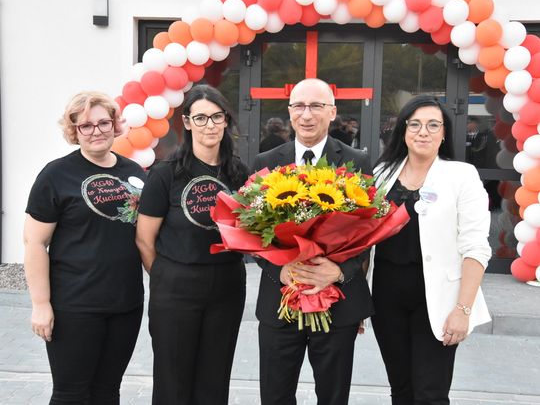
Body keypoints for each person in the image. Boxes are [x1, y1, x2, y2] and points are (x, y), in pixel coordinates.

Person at [252, 78, 373, 405]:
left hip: (337, 305)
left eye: (316, 106)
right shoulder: (265, 162)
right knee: (275, 396)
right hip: (280, 303)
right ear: (290, 111)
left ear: (332, 112)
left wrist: (340, 272)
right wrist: (280, 270)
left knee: (333, 397)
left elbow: (369, 230)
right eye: (299, 106)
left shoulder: (356, 161)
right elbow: (251, 230)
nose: (306, 115)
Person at [367, 95, 492, 405]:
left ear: (444, 133)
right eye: (415, 125)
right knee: (401, 390)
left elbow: (476, 247)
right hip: (386, 296)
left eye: (433, 125)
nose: (423, 132)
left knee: (430, 393)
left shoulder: (462, 176)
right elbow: (364, 239)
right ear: (403, 130)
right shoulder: (382, 174)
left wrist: (463, 310)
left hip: (438, 299)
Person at [23, 91, 146, 404]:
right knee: (71, 394)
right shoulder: (56, 175)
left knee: (108, 391)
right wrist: (41, 304)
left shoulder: (134, 172)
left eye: (104, 122)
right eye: (86, 126)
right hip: (74, 306)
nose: (97, 131)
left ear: (115, 125)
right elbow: (34, 242)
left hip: (126, 304)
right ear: (74, 131)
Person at [135, 84, 249, 404]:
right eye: (200, 118)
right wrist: (165, 276)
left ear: (226, 120)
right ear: (186, 122)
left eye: (216, 117)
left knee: (215, 378)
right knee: (173, 379)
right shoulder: (165, 174)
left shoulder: (239, 173)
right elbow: (144, 239)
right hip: (175, 286)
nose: (209, 125)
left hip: (227, 285)